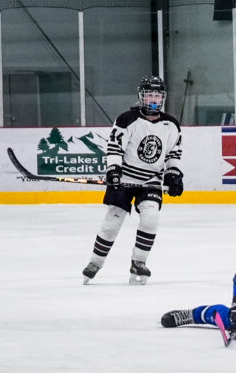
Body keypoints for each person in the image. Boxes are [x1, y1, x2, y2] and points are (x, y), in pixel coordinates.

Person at [82, 75, 184, 285]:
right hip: (125, 177)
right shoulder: (126, 119)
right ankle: (95, 262)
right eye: (149, 95)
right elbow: (115, 148)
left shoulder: (171, 124)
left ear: (163, 98)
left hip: (151, 180)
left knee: (151, 218)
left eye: (157, 95)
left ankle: (139, 262)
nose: (153, 99)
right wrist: (113, 170)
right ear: (141, 97)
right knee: (113, 221)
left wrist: (174, 174)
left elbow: (173, 153)